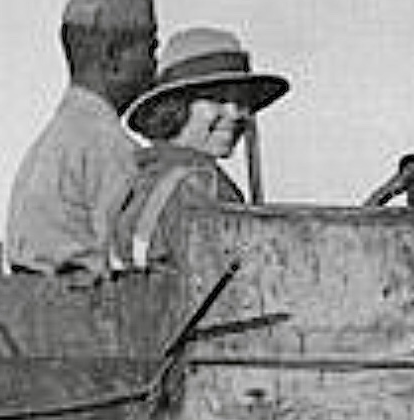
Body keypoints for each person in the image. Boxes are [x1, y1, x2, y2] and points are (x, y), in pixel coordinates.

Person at [4, 0, 159, 277]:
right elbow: (127, 260)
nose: (155, 65)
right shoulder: (110, 148)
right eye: (151, 50)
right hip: (87, 301)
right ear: (113, 56)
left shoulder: (54, 141)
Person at [112, 26, 289, 268]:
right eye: (217, 99)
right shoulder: (200, 183)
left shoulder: (135, 176)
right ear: (175, 108)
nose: (235, 114)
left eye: (241, 102)